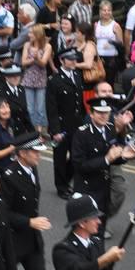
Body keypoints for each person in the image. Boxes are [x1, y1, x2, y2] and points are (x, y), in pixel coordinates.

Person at [0, 133, 57, 270]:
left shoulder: (32, 170)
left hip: (32, 239)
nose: (39, 155)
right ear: (22, 154)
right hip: (13, 239)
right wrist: (29, 221)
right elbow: (3, 212)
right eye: (35, 152)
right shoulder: (8, 177)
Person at [71, 97, 135, 236]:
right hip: (86, 190)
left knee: (99, 234)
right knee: (83, 233)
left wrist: (123, 156)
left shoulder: (110, 128)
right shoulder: (82, 134)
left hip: (103, 189)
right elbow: (79, 165)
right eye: (99, 112)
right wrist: (106, 159)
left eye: (106, 112)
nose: (104, 116)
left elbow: (113, 156)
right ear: (91, 114)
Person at [47, 48, 85, 198]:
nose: (74, 61)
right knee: (60, 158)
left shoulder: (77, 75)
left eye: (75, 59)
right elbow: (52, 107)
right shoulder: (55, 80)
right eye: (70, 59)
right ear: (62, 61)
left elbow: (79, 103)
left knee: (77, 156)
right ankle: (61, 187)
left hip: (76, 124)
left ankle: (67, 181)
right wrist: (55, 130)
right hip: (62, 125)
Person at [0, 65, 34, 136]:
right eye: (12, 76)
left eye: (18, 75)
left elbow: (25, 113)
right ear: (6, 77)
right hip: (6, 131)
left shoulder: (21, 89)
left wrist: (33, 133)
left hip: (21, 131)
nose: (16, 78)